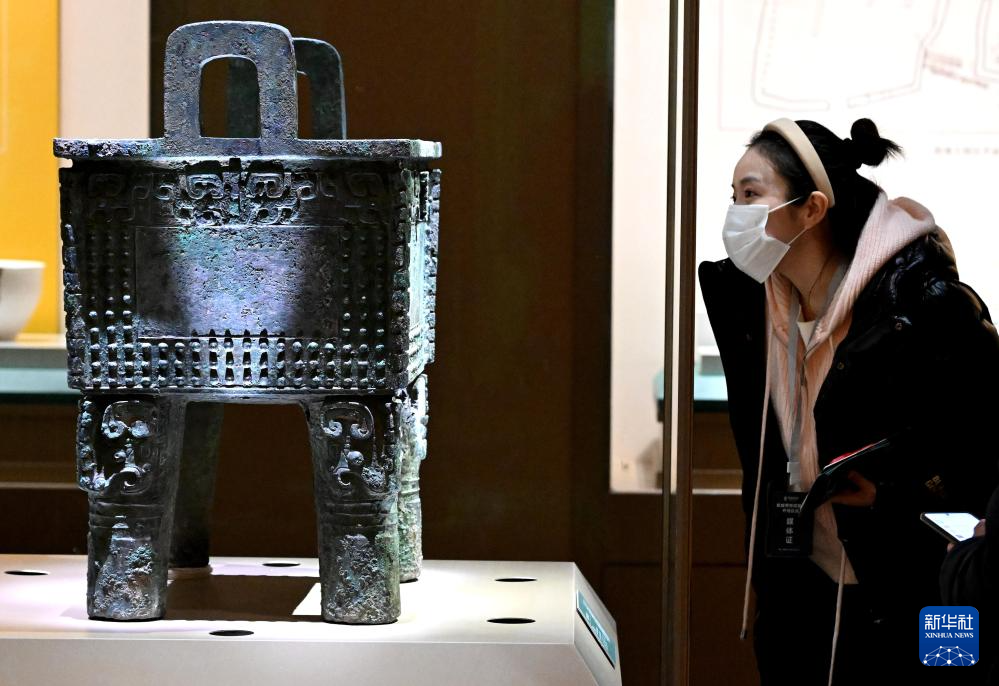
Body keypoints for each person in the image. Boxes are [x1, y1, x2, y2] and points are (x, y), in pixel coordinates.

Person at [698, 117, 999, 685]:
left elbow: (983, 459)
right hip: (800, 585)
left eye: (751, 195)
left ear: (812, 209)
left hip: (918, 590)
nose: (735, 214)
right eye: (733, 197)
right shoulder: (749, 304)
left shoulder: (927, 307)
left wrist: (891, 493)